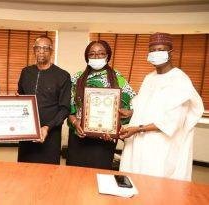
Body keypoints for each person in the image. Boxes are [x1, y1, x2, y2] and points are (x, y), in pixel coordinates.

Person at [119, 32, 204, 181]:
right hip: (137, 144)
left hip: (159, 147)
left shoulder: (179, 80)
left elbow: (172, 122)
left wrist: (137, 129)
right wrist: (131, 113)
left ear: (170, 52)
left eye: (160, 50)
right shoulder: (149, 78)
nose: (155, 54)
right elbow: (147, 107)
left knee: (154, 189)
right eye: (152, 50)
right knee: (132, 184)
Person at [66, 40, 135, 169]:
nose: (96, 57)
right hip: (79, 137)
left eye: (101, 53)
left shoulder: (117, 78)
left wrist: (117, 123)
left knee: (99, 178)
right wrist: (76, 123)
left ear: (107, 56)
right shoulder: (76, 78)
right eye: (92, 54)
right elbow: (69, 108)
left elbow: (132, 105)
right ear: (87, 57)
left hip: (104, 140)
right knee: (75, 177)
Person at [17, 35, 71, 165]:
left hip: (50, 134)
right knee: (24, 171)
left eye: (45, 48)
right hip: (26, 132)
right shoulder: (26, 72)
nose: (41, 51)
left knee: (48, 175)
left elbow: (64, 109)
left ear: (51, 51)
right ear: (34, 50)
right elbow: (21, 97)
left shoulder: (62, 75)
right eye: (38, 48)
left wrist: (47, 127)